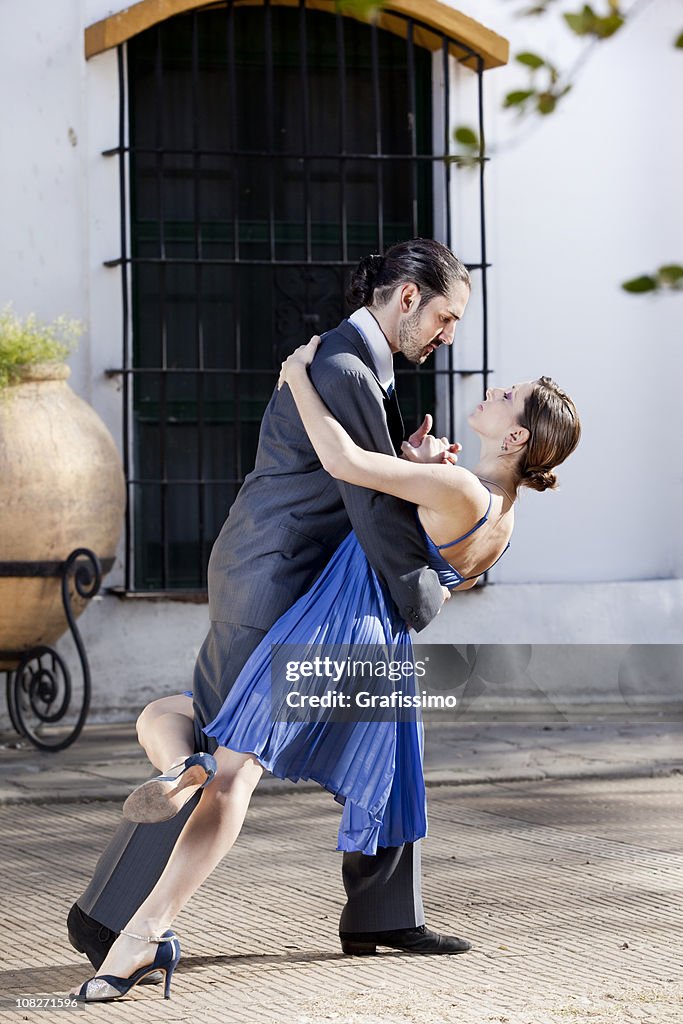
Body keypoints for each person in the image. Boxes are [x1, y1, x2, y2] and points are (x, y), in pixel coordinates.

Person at [73, 334, 580, 1002]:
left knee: (233, 773)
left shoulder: (456, 483)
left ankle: (146, 933)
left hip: (335, 631)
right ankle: (184, 776)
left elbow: (343, 461)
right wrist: (416, 466)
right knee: (172, 716)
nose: (493, 391)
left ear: (515, 438)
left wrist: (296, 379)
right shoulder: (499, 513)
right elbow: (409, 544)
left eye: (506, 396)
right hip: (377, 645)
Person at [68, 239, 474, 996]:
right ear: (408, 296)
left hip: (305, 582)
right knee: (220, 758)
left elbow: (365, 476)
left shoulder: (355, 364)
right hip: (270, 581)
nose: (448, 334)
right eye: (445, 317)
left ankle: (382, 913)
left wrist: (412, 460)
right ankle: (109, 917)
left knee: (384, 727)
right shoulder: (345, 366)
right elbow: (371, 502)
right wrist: (421, 592)